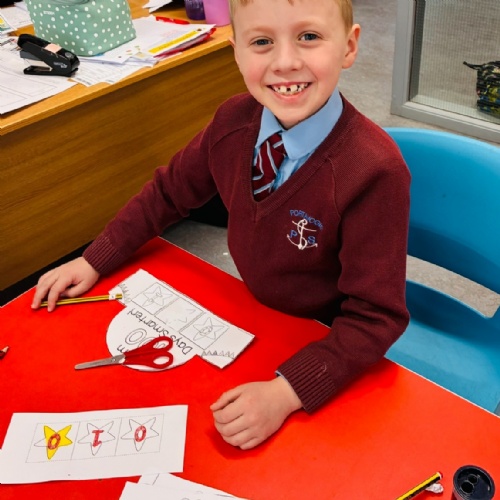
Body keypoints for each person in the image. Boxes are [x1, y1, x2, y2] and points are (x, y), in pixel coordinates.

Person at [32, 0, 411, 450]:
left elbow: (375, 317)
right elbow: (168, 192)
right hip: (250, 313)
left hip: (321, 337)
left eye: (308, 37)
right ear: (236, 52)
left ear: (348, 47)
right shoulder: (232, 120)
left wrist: (286, 393)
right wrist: (95, 258)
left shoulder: (375, 171)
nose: (285, 62)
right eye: (261, 42)